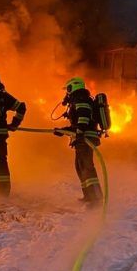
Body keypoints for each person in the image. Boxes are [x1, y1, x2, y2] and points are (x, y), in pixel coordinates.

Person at [55, 77, 103, 206]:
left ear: (73, 87)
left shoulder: (81, 99)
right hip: (82, 138)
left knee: (87, 167)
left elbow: (83, 118)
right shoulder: (79, 99)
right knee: (80, 166)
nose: (67, 93)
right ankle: (88, 195)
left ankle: (96, 198)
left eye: (68, 89)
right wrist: (62, 131)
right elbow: (76, 125)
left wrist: (80, 133)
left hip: (86, 138)